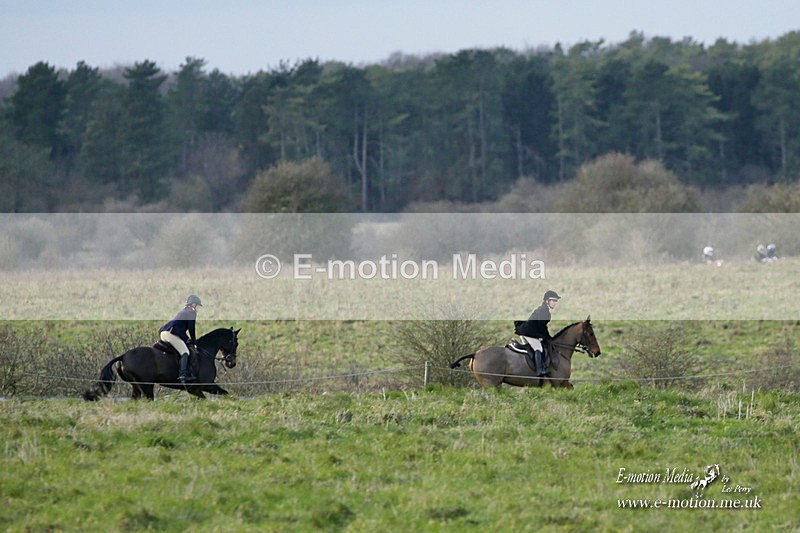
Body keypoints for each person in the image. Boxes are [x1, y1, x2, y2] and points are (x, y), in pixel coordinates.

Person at [515, 290, 560, 377]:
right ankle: (540, 370)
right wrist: (547, 337)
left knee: (531, 350)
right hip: (528, 333)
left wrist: (547, 337)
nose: (555, 303)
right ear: (547, 301)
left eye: (556, 301)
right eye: (553, 301)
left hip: (525, 332)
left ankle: (530, 368)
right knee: (538, 348)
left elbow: (542, 326)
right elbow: (541, 327)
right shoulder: (544, 310)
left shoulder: (543, 309)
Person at [159, 295, 202, 383]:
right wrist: (194, 342)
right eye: (197, 305)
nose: (198, 308)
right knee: (185, 352)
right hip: (171, 334)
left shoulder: (185, 311)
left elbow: (181, 329)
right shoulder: (191, 312)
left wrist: (187, 339)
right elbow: (191, 328)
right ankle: (183, 375)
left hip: (164, 332)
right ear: (193, 304)